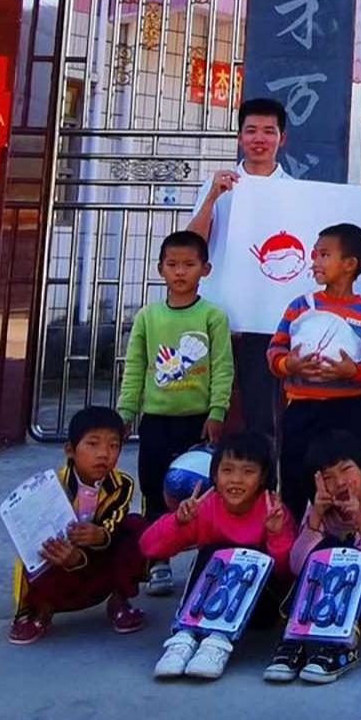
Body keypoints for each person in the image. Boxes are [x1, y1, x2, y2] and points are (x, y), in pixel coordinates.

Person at [119, 230, 235, 596]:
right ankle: (159, 562)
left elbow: (223, 367)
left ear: (206, 269)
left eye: (189, 264)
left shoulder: (213, 317)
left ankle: (206, 563)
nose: (180, 272)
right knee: (155, 492)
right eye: (172, 265)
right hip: (156, 421)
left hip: (198, 423)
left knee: (202, 494)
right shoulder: (148, 317)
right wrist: (126, 413)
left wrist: (217, 412)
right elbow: (135, 367)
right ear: (159, 269)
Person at [141, 431, 296, 681]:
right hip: (206, 603)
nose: (236, 480)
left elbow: (287, 572)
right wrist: (178, 522)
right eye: (228, 470)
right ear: (214, 474)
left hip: (256, 608)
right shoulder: (205, 505)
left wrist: (277, 535)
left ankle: (217, 642)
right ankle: (185, 635)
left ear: (263, 477)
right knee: (211, 552)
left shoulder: (273, 509)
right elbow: (149, 547)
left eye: (248, 472)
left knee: (245, 555)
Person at [186, 97, 293, 446]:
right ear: (239, 137)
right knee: (212, 411)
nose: (259, 139)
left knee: (263, 414)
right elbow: (191, 246)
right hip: (218, 317)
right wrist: (212, 199)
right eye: (251, 131)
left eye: (268, 131)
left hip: (268, 321)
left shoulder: (297, 192)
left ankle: (263, 494)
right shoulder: (219, 186)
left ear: (282, 138)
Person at [267, 223, 361, 519]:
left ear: (349, 264)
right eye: (314, 255)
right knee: (295, 479)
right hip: (301, 409)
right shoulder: (300, 306)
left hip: (347, 411)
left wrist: (352, 371)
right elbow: (274, 350)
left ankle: (346, 544)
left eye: (324, 255)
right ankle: (291, 547)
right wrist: (289, 365)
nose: (315, 262)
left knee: (347, 483)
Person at [267, 431, 361, 684]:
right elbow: (298, 566)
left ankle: (342, 647)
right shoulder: (319, 508)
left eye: (347, 470)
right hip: (327, 605)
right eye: (329, 477)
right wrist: (316, 518)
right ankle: (294, 639)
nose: (341, 482)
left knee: (350, 556)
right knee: (327, 551)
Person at [7, 406, 146, 645]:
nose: (104, 454)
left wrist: (100, 536)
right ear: (70, 450)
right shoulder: (49, 488)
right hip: (62, 563)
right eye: (93, 444)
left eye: (114, 445)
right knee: (35, 550)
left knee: (137, 527)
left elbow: (114, 521)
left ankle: (119, 600)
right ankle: (37, 611)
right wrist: (69, 557)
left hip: (100, 559)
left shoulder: (122, 484)